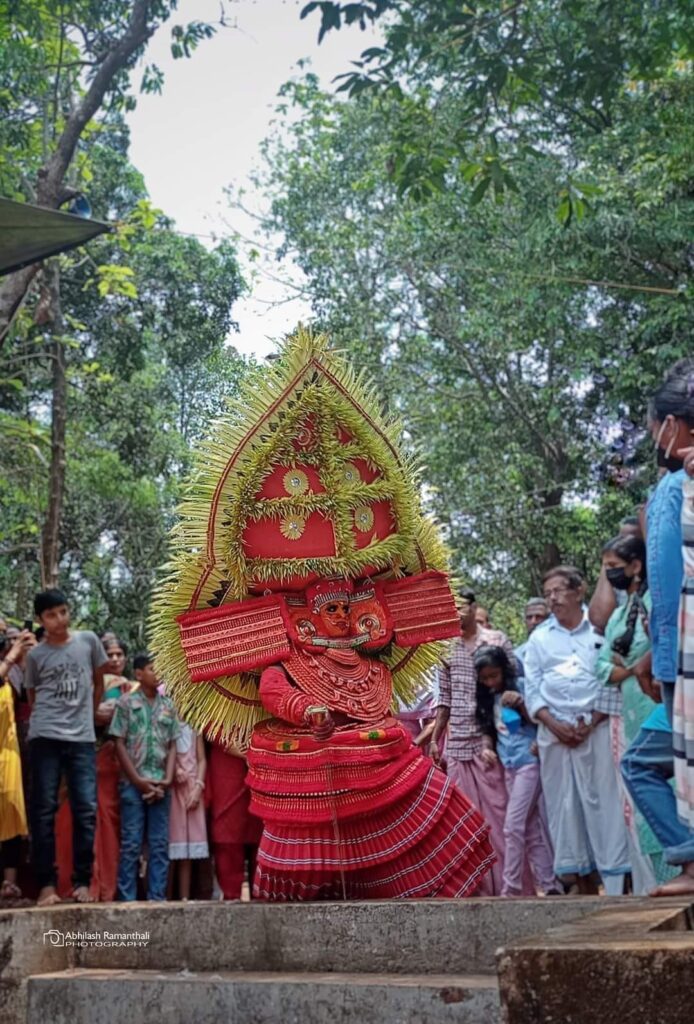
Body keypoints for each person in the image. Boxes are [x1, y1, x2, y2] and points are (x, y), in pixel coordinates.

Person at [621, 358, 694, 896]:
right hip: (674, 654)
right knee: (648, 762)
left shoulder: (683, 487)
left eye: (654, 429)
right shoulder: (673, 487)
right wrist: (655, 654)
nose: (654, 440)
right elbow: (670, 589)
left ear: (673, 424)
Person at [524, 566, 630, 894]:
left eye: (558, 590)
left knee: (607, 803)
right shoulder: (540, 637)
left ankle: (618, 884)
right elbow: (532, 687)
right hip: (555, 734)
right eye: (548, 593)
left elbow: (611, 676)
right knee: (563, 807)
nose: (552, 598)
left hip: (596, 729)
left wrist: (592, 721)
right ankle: (581, 885)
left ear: (579, 591)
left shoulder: (599, 628)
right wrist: (555, 725)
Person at [595, 536, 675, 892]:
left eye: (613, 567)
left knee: (671, 787)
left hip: (660, 709)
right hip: (631, 718)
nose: (609, 574)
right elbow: (600, 668)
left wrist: (627, 666)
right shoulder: (617, 616)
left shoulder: (659, 602)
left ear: (636, 566)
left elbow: (660, 650)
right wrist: (633, 667)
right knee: (642, 805)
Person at [23, 590, 107, 906]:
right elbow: (32, 696)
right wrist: (50, 722)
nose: (59, 619)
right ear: (40, 620)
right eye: (51, 615)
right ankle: (46, 885)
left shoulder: (88, 641)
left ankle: (82, 882)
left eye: (63, 611)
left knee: (86, 808)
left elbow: (98, 682)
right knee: (44, 809)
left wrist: (88, 716)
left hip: (82, 738)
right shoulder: (36, 656)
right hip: (45, 737)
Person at [432, 595, 509, 895]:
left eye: (461, 606)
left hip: (492, 744)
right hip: (457, 747)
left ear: (474, 608)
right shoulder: (444, 648)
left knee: (500, 818)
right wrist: (436, 740)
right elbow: (444, 700)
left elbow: (513, 684)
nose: (455, 612)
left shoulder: (496, 641)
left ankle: (510, 888)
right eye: (450, 607)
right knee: (465, 823)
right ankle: (478, 891)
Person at [475, 645, 558, 897]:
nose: (491, 682)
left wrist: (521, 704)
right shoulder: (488, 698)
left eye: (494, 675)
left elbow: (540, 719)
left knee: (512, 827)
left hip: (528, 762)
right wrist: (486, 748)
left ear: (504, 670)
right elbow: (489, 730)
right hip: (509, 764)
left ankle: (510, 887)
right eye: (485, 678)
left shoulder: (521, 686)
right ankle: (549, 884)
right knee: (530, 829)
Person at [110, 653, 179, 901]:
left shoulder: (169, 705)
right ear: (138, 674)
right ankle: (127, 899)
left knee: (159, 844)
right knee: (131, 843)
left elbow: (173, 745)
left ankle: (157, 897)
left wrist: (167, 779)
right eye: (152, 668)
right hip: (133, 784)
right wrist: (138, 781)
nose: (157, 673)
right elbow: (118, 743)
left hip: (161, 783)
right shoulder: (126, 703)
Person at [0, 622, 34, 902]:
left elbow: (27, 696)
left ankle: (9, 884)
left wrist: (23, 660)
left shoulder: (10, 669)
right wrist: (12, 656)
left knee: (11, 814)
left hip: (9, 754)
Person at [206, 737, 262, 900]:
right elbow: (209, 727)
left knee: (262, 843)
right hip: (227, 769)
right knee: (227, 840)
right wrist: (248, 752)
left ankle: (262, 898)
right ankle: (231, 898)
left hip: (261, 764)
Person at [168, 722, 208, 900]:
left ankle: (185, 898)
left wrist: (198, 787)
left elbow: (202, 760)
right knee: (170, 845)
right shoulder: (168, 722)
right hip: (173, 789)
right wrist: (175, 769)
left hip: (192, 789)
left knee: (187, 851)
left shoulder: (194, 727)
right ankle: (165, 897)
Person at [589, 515, 644, 634]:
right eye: (621, 539)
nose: (624, 545)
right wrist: (610, 563)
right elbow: (599, 619)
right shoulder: (620, 578)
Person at [515, 598, 550, 675]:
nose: (533, 621)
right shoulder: (518, 655)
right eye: (529, 617)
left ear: (548, 620)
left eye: (539, 617)